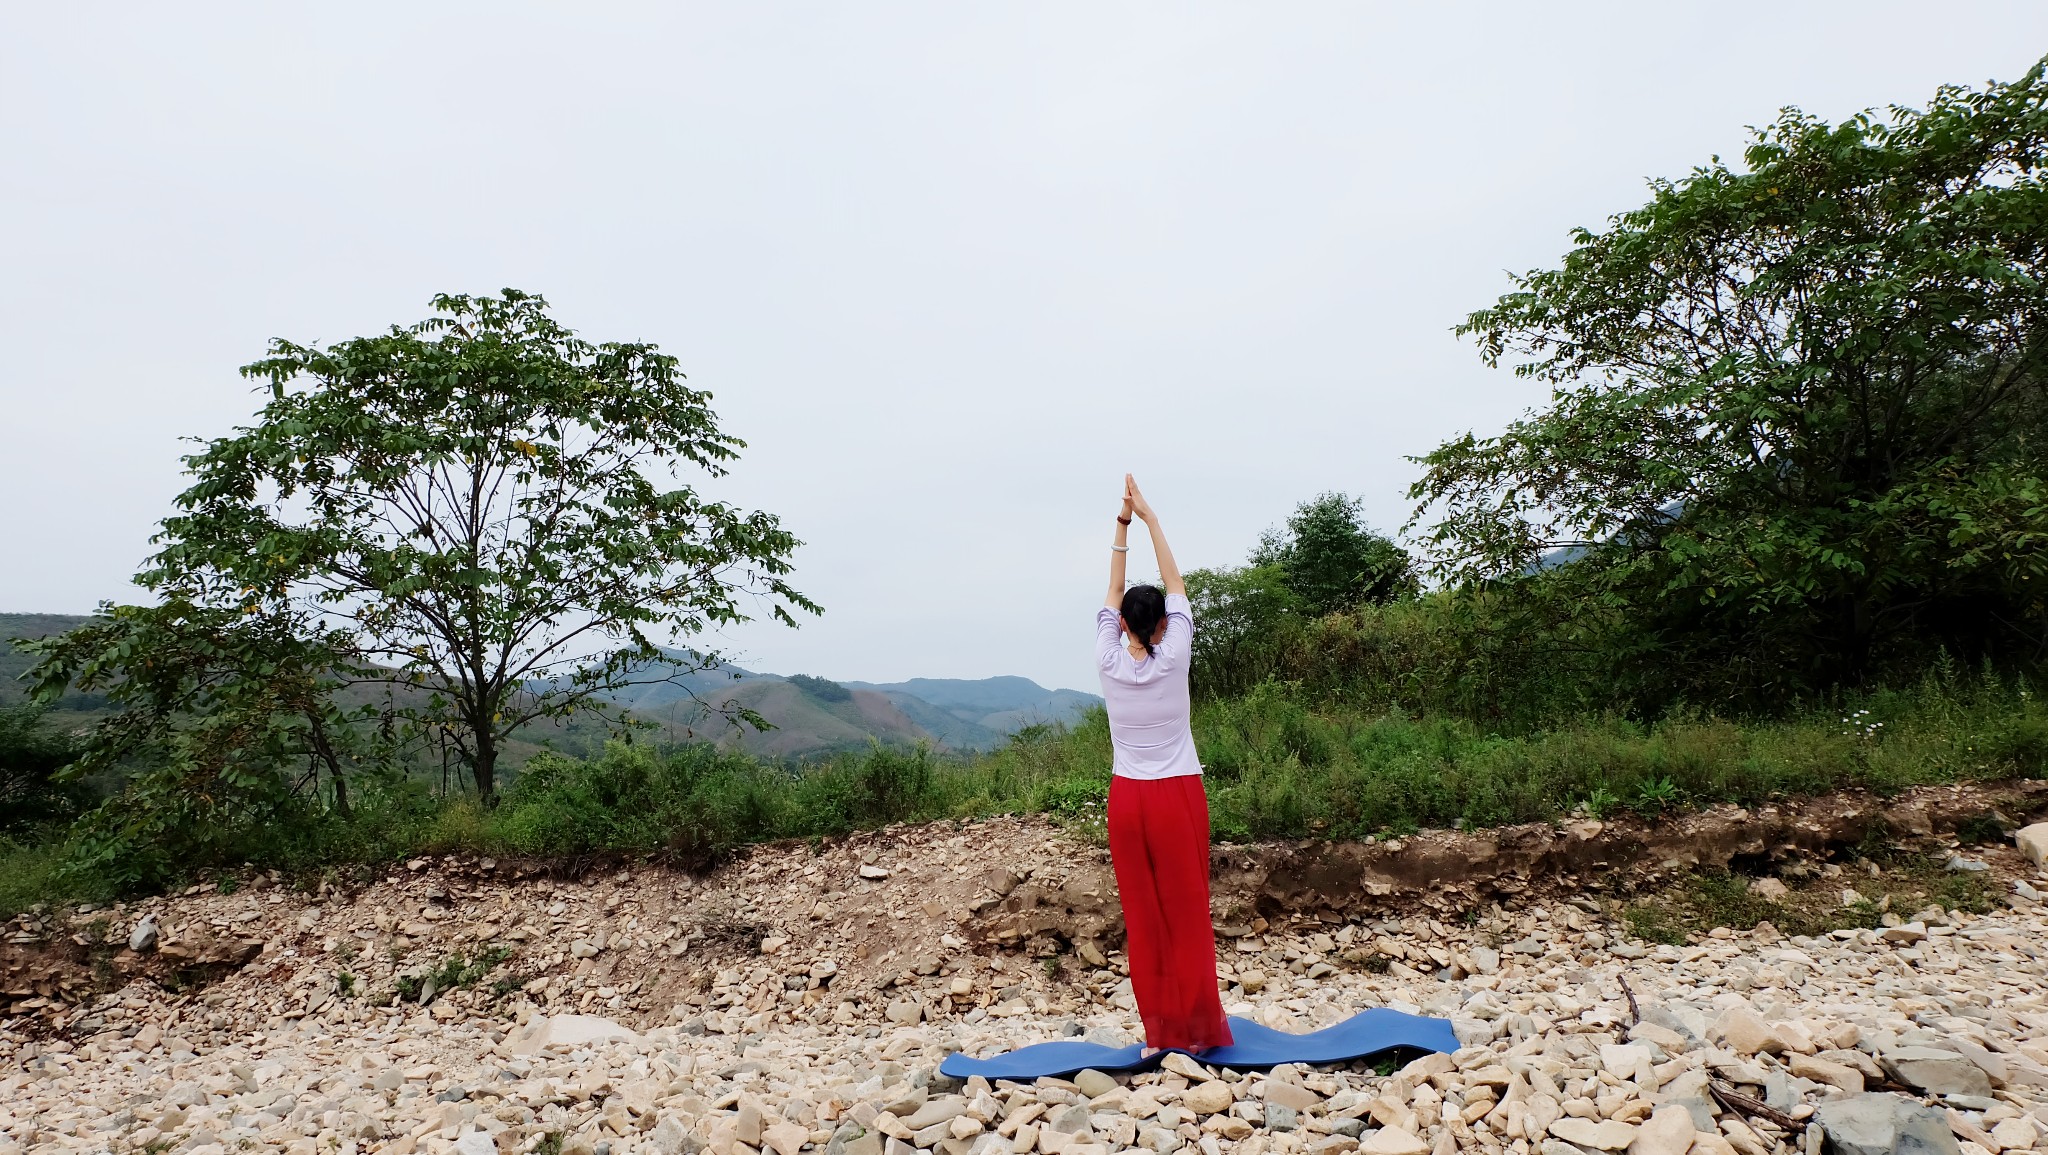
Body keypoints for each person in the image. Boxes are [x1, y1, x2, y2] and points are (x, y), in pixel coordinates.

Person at [1096, 474, 1233, 1057]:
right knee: (1187, 913)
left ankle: (1160, 1034)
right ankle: (1198, 1033)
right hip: (1176, 795)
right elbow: (1175, 583)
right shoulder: (1173, 654)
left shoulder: (1106, 655)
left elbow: (1112, 591)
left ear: (1124, 623)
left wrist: (1121, 526)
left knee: (1145, 917)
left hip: (1128, 801)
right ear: (1159, 625)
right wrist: (1149, 517)